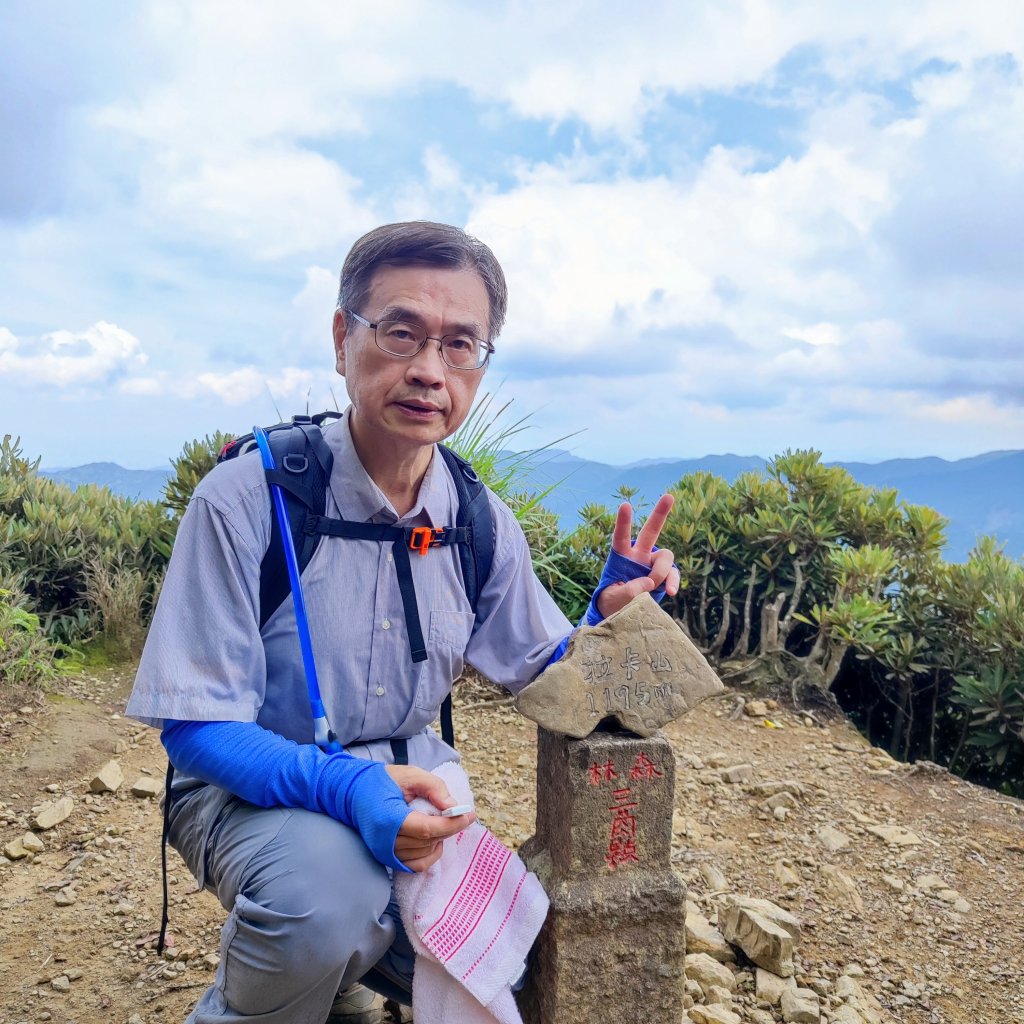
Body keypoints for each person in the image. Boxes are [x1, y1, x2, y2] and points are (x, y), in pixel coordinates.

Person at [126, 221, 679, 1024]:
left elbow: (547, 669)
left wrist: (608, 615)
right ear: (343, 338)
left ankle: (335, 972)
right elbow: (195, 727)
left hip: (414, 793)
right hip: (242, 793)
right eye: (401, 333)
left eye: (461, 345)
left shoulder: (476, 519)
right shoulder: (251, 501)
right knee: (328, 896)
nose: (429, 370)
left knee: (518, 949)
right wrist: (348, 784)